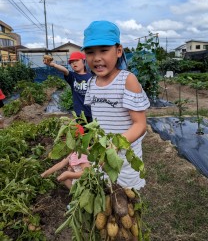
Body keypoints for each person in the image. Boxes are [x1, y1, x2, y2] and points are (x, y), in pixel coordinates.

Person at [82, 20, 150, 191]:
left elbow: (140, 125)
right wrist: (95, 144)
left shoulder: (127, 80)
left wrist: (113, 146)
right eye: (90, 52)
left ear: (118, 51)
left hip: (126, 158)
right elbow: (98, 121)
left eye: (104, 50)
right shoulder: (91, 83)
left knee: (127, 203)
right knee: (105, 198)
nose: (96, 58)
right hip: (103, 156)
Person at [43, 52, 92, 123]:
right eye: (71, 62)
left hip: (92, 112)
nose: (74, 63)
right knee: (83, 133)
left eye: (77, 61)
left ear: (84, 61)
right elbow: (65, 70)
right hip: (79, 113)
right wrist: (53, 65)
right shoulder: (72, 76)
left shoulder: (91, 77)